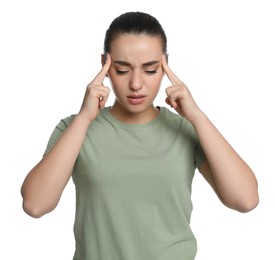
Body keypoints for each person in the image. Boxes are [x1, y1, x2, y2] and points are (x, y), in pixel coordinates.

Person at [21, 11, 259, 260]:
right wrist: (83, 118)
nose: (136, 83)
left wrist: (197, 116)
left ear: (165, 65)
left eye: (150, 69)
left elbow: (245, 199)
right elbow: (35, 205)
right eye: (122, 70)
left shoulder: (185, 130)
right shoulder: (74, 129)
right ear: (105, 64)